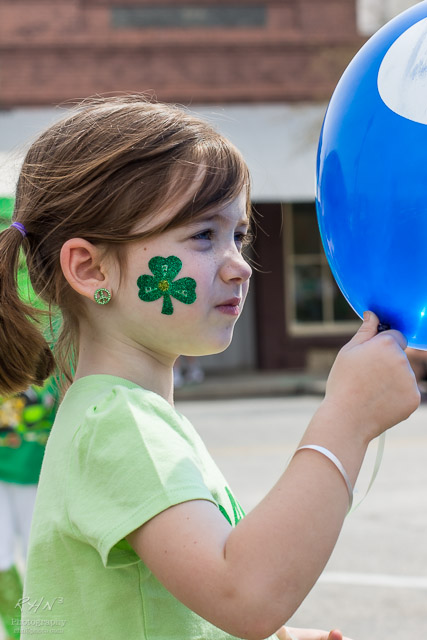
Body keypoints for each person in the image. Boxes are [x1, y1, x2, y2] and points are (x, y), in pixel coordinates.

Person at [0, 97, 419, 640]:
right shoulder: (118, 425)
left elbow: (176, 599)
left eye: (237, 235)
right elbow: (244, 594)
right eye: (203, 235)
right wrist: (348, 417)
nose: (240, 264)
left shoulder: (127, 416)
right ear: (90, 267)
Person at [0, 381, 57, 640]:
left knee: (39, 555)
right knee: (1, 557)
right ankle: (17, 631)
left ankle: (43, 629)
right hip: (5, 473)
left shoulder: (61, 348)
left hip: (39, 472)